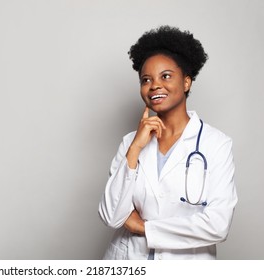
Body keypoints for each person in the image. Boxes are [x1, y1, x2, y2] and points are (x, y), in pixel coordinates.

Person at [98, 25, 238, 260]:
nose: (154, 86)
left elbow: (217, 224)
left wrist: (144, 228)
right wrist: (135, 149)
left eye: (166, 76)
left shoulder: (216, 144)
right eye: (146, 79)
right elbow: (112, 216)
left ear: (186, 83)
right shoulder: (130, 143)